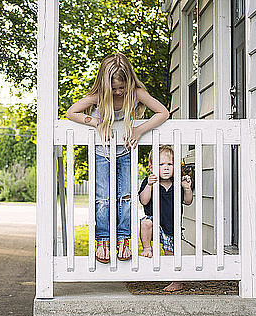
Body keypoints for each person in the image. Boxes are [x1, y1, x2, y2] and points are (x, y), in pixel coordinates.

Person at [66, 53, 169, 263]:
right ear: (106, 85)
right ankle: (103, 240)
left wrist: (139, 130)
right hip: (102, 152)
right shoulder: (99, 96)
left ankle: (124, 239)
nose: (119, 92)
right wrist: (94, 122)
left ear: (129, 82)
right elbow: (71, 112)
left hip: (126, 151)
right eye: (114, 88)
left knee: (126, 197)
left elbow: (163, 112)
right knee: (103, 199)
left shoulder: (136, 93)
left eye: (122, 87)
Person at [138, 145, 194, 292]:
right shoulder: (149, 182)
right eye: (161, 165)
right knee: (145, 222)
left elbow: (187, 201)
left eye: (170, 164)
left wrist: (187, 188)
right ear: (151, 168)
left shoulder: (177, 184)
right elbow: (144, 200)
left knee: (170, 254)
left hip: (171, 226)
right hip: (155, 223)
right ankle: (147, 248)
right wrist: (150, 185)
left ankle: (176, 281)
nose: (166, 168)